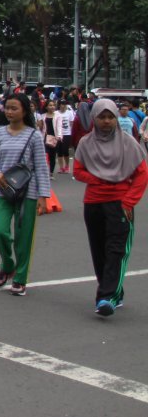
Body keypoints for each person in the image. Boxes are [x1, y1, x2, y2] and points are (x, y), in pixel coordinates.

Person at [72, 98, 148, 316]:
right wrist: (99, 179)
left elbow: (142, 175)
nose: (106, 121)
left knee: (116, 250)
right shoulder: (86, 143)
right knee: (99, 250)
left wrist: (128, 202)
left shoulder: (128, 143)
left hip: (120, 203)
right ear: (94, 119)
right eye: (102, 117)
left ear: (116, 118)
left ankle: (106, 297)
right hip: (93, 203)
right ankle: (114, 291)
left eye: (110, 117)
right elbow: (78, 171)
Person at [0, 94, 52, 295]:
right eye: (7, 108)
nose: (9, 112)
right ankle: (8, 265)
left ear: (25, 111)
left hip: (29, 192)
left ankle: (20, 278)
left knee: (24, 238)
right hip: (3, 190)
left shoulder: (33, 136)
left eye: (14, 108)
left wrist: (43, 196)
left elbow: (41, 167)